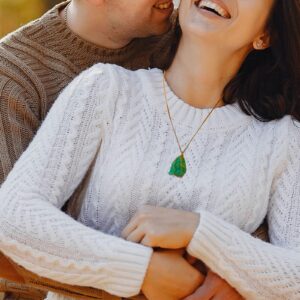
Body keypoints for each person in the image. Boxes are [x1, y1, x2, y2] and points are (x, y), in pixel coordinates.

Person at [0, 0, 287, 300]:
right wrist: (151, 273)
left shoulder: (196, 30)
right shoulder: (15, 78)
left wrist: (238, 273)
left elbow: (254, 188)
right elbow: (10, 246)